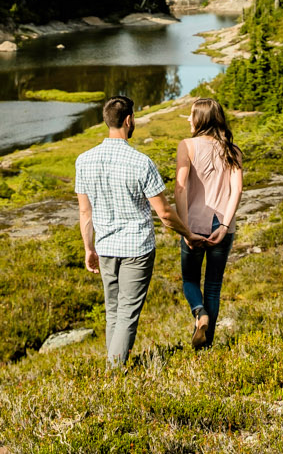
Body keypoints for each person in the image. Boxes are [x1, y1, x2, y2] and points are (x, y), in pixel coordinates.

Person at [74, 95, 191, 368]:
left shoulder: (84, 160)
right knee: (127, 313)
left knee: (113, 312)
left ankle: (113, 370)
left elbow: (84, 212)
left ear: (106, 121)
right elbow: (163, 212)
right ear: (129, 121)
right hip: (136, 249)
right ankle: (113, 376)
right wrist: (186, 233)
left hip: (104, 247)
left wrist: (88, 248)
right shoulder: (141, 162)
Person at [174, 98, 244, 349]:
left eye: (191, 115)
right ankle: (206, 346)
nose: (188, 120)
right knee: (213, 286)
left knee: (190, 280)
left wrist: (184, 228)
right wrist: (225, 226)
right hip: (222, 228)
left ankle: (199, 311)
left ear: (200, 119)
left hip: (193, 224)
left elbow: (180, 190)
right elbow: (237, 190)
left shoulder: (187, 146)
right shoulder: (232, 150)